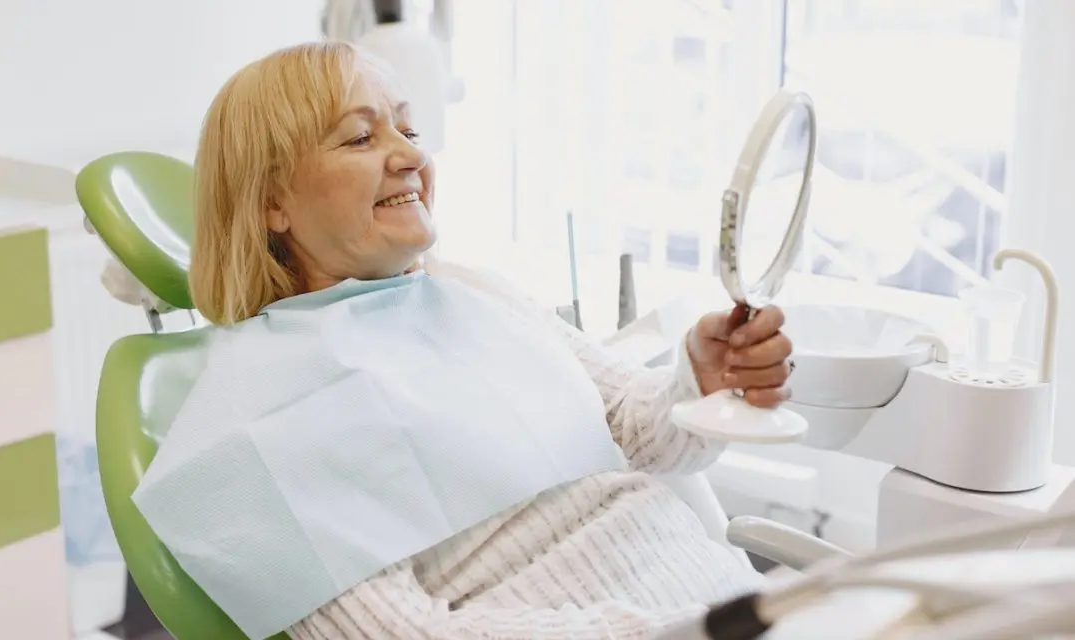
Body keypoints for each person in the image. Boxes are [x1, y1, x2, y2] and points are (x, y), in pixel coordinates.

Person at [187, 41, 794, 640]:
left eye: (408, 131)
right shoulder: (257, 418)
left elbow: (633, 430)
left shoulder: (469, 291)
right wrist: (670, 628)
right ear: (272, 201)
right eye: (361, 138)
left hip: (729, 605)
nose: (411, 156)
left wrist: (698, 383)